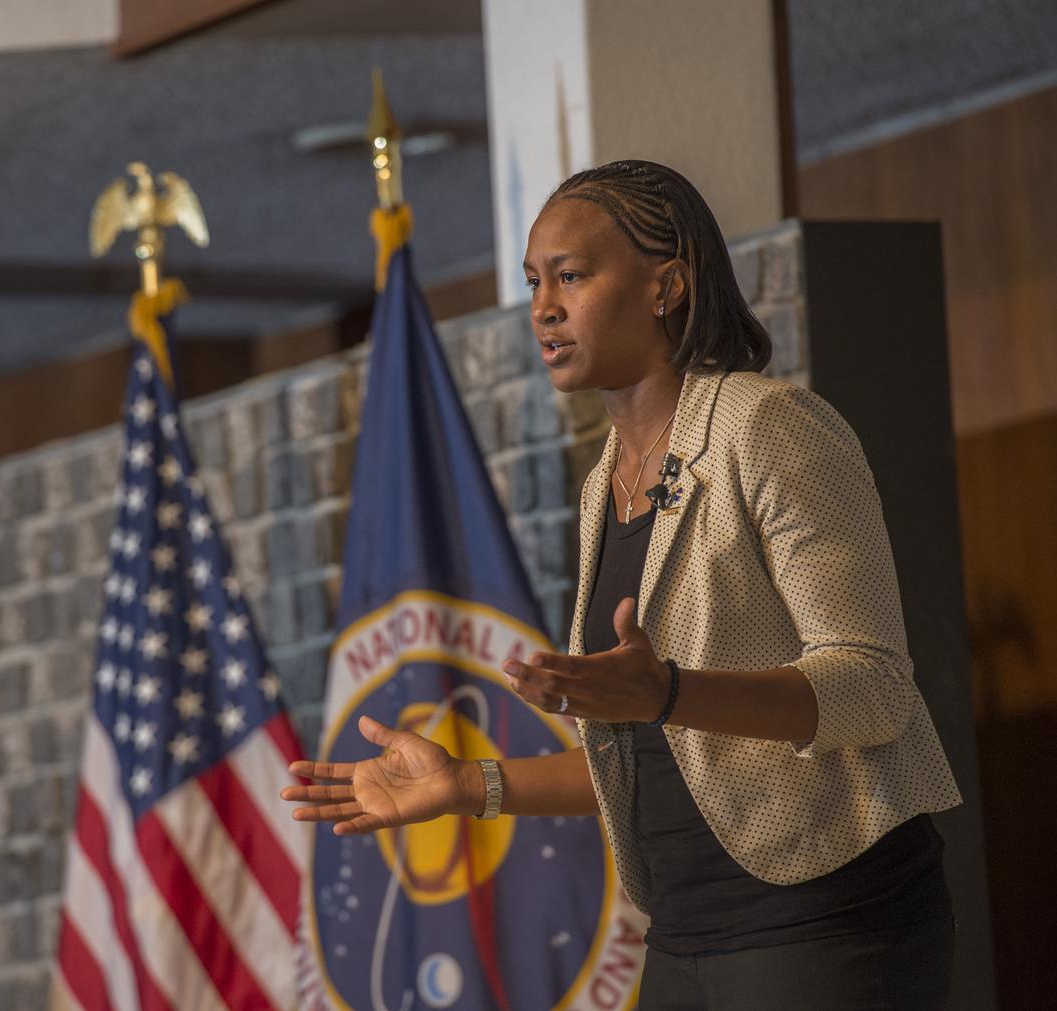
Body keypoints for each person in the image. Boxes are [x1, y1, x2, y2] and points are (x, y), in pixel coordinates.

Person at [282, 159, 963, 1010]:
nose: (543, 306)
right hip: (682, 934)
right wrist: (469, 784)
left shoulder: (768, 427)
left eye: (571, 275)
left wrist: (669, 692)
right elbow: (647, 752)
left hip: (827, 925)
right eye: (534, 281)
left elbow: (872, 688)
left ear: (665, 286)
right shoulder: (604, 485)